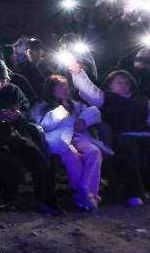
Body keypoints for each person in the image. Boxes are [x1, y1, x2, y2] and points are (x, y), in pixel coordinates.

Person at [0, 59, 60, 215]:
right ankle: (8, 201)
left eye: (3, 80)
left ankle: (46, 200)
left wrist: (17, 115)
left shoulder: (13, 90)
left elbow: (27, 113)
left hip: (12, 133)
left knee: (37, 157)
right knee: (6, 157)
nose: (0, 84)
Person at [69, 63, 150, 206]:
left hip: (144, 134)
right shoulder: (105, 97)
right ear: (111, 84)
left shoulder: (142, 101)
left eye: (126, 83)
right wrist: (78, 73)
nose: (123, 85)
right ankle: (134, 192)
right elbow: (89, 90)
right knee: (128, 147)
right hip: (121, 136)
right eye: (118, 82)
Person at [32, 75, 104, 211]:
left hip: (78, 136)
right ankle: (84, 194)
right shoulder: (41, 106)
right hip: (59, 139)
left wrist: (84, 120)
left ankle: (86, 191)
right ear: (51, 89)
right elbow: (42, 125)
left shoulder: (74, 104)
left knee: (94, 152)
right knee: (72, 155)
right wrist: (60, 112)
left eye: (67, 87)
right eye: (61, 87)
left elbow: (93, 111)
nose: (66, 90)